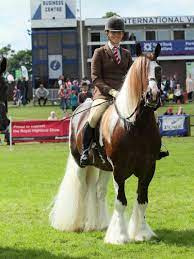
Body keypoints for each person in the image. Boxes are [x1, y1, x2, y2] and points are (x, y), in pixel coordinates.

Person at [80, 16, 133, 166]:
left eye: (119, 33)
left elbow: (131, 77)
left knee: (146, 113)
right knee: (93, 117)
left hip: (124, 96)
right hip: (104, 94)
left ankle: (154, 146)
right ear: (107, 33)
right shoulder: (99, 52)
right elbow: (96, 78)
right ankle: (85, 150)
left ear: (123, 34)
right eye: (113, 33)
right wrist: (112, 92)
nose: (117, 36)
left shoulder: (127, 54)